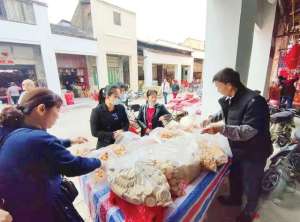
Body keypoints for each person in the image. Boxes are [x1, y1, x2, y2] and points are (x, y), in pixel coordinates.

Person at [0, 88, 102, 222]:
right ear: (41, 109)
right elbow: (74, 166)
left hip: (21, 205)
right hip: (42, 207)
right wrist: (99, 160)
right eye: (57, 110)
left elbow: (43, 147)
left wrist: (70, 141)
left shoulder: (14, 132)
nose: (58, 115)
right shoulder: (37, 138)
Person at [201, 68, 272, 222]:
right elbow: (228, 112)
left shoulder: (254, 101)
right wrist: (211, 118)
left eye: (219, 86)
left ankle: (250, 211)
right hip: (239, 149)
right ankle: (235, 199)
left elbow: (249, 131)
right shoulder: (232, 97)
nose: (218, 90)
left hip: (255, 151)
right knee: (236, 176)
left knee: (251, 183)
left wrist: (220, 129)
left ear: (229, 84)